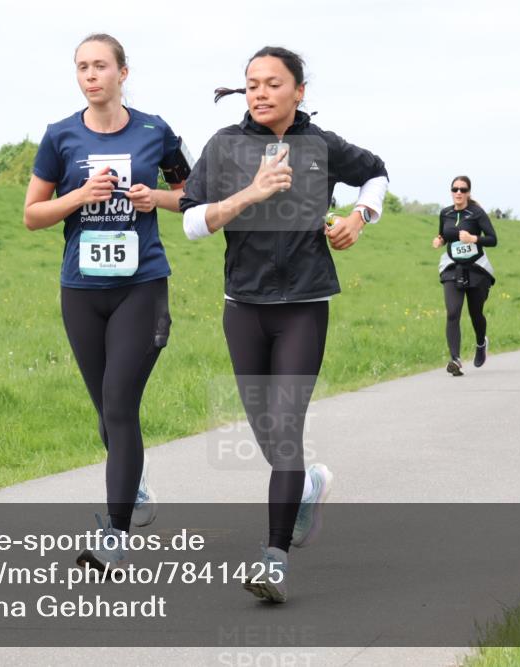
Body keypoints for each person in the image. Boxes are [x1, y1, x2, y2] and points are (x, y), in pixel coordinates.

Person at [180, 46, 388, 602]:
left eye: (273, 84)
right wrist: (251, 192)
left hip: (303, 304)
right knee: (267, 434)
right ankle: (310, 485)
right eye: (252, 84)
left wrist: (358, 218)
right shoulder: (224, 146)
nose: (260, 93)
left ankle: (273, 560)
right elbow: (193, 222)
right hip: (242, 305)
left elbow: (376, 174)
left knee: (287, 427)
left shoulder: (321, 145)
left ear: (300, 92)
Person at [23, 33, 190, 571]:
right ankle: (134, 487)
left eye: (100, 66)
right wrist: (79, 196)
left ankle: (114, 534)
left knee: (119, 402)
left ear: (123, 72)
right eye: (81, 67)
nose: (90, 75)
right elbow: (32, 214)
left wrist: (155, 197)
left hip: (141, 285)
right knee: (106, 410)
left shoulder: (154, 130)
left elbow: (192, 196)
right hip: (82, 289)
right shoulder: (60, 136)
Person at [432, 175, 498, 376]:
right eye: (455, 189)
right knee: (453, 312)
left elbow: (493, 240)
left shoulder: (476, 213)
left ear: (469, 192)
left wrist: (473, 238)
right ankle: (455, 359)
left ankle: (480, 343)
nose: (458, 193)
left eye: (462, 189)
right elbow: (444, 235)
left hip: (476, 267)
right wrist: (439, 240)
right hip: (453, 267)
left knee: (475, 313)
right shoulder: (445, 213)